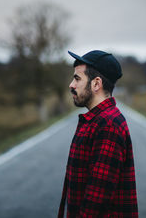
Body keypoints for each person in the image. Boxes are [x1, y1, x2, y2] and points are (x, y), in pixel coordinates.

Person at [58, 50, 138, 217]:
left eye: (77, 78)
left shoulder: (108, 125)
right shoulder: (96, 121)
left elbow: (96, 202)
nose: (71, 85)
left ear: (96, 84)